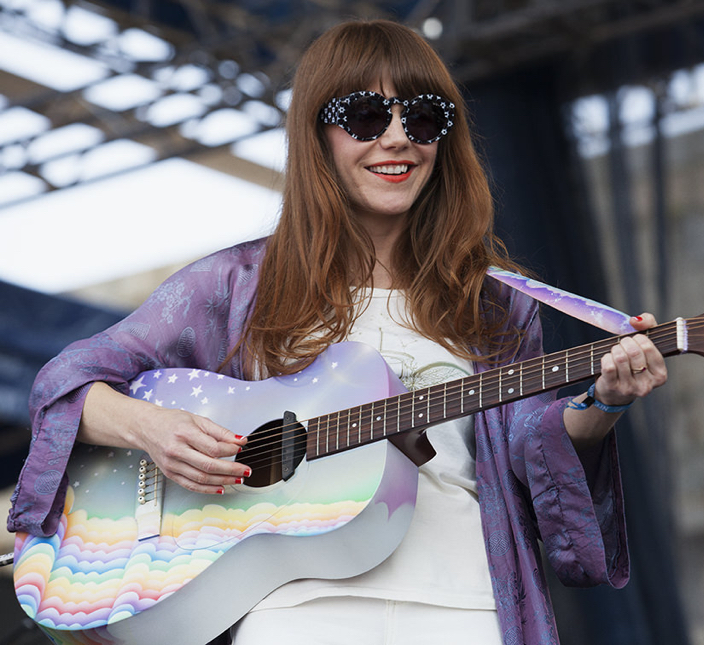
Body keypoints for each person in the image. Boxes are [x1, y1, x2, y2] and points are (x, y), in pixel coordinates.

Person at [8, 19, 667, 645]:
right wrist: (155, 429)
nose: (398, 137)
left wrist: (603, 403)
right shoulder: (238, 284)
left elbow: (531, 455)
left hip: (464, 599)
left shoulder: (494, 302)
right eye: (366, 116)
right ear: (317, 133)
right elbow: (68, 384)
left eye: (424, 117)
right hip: (296, 611)